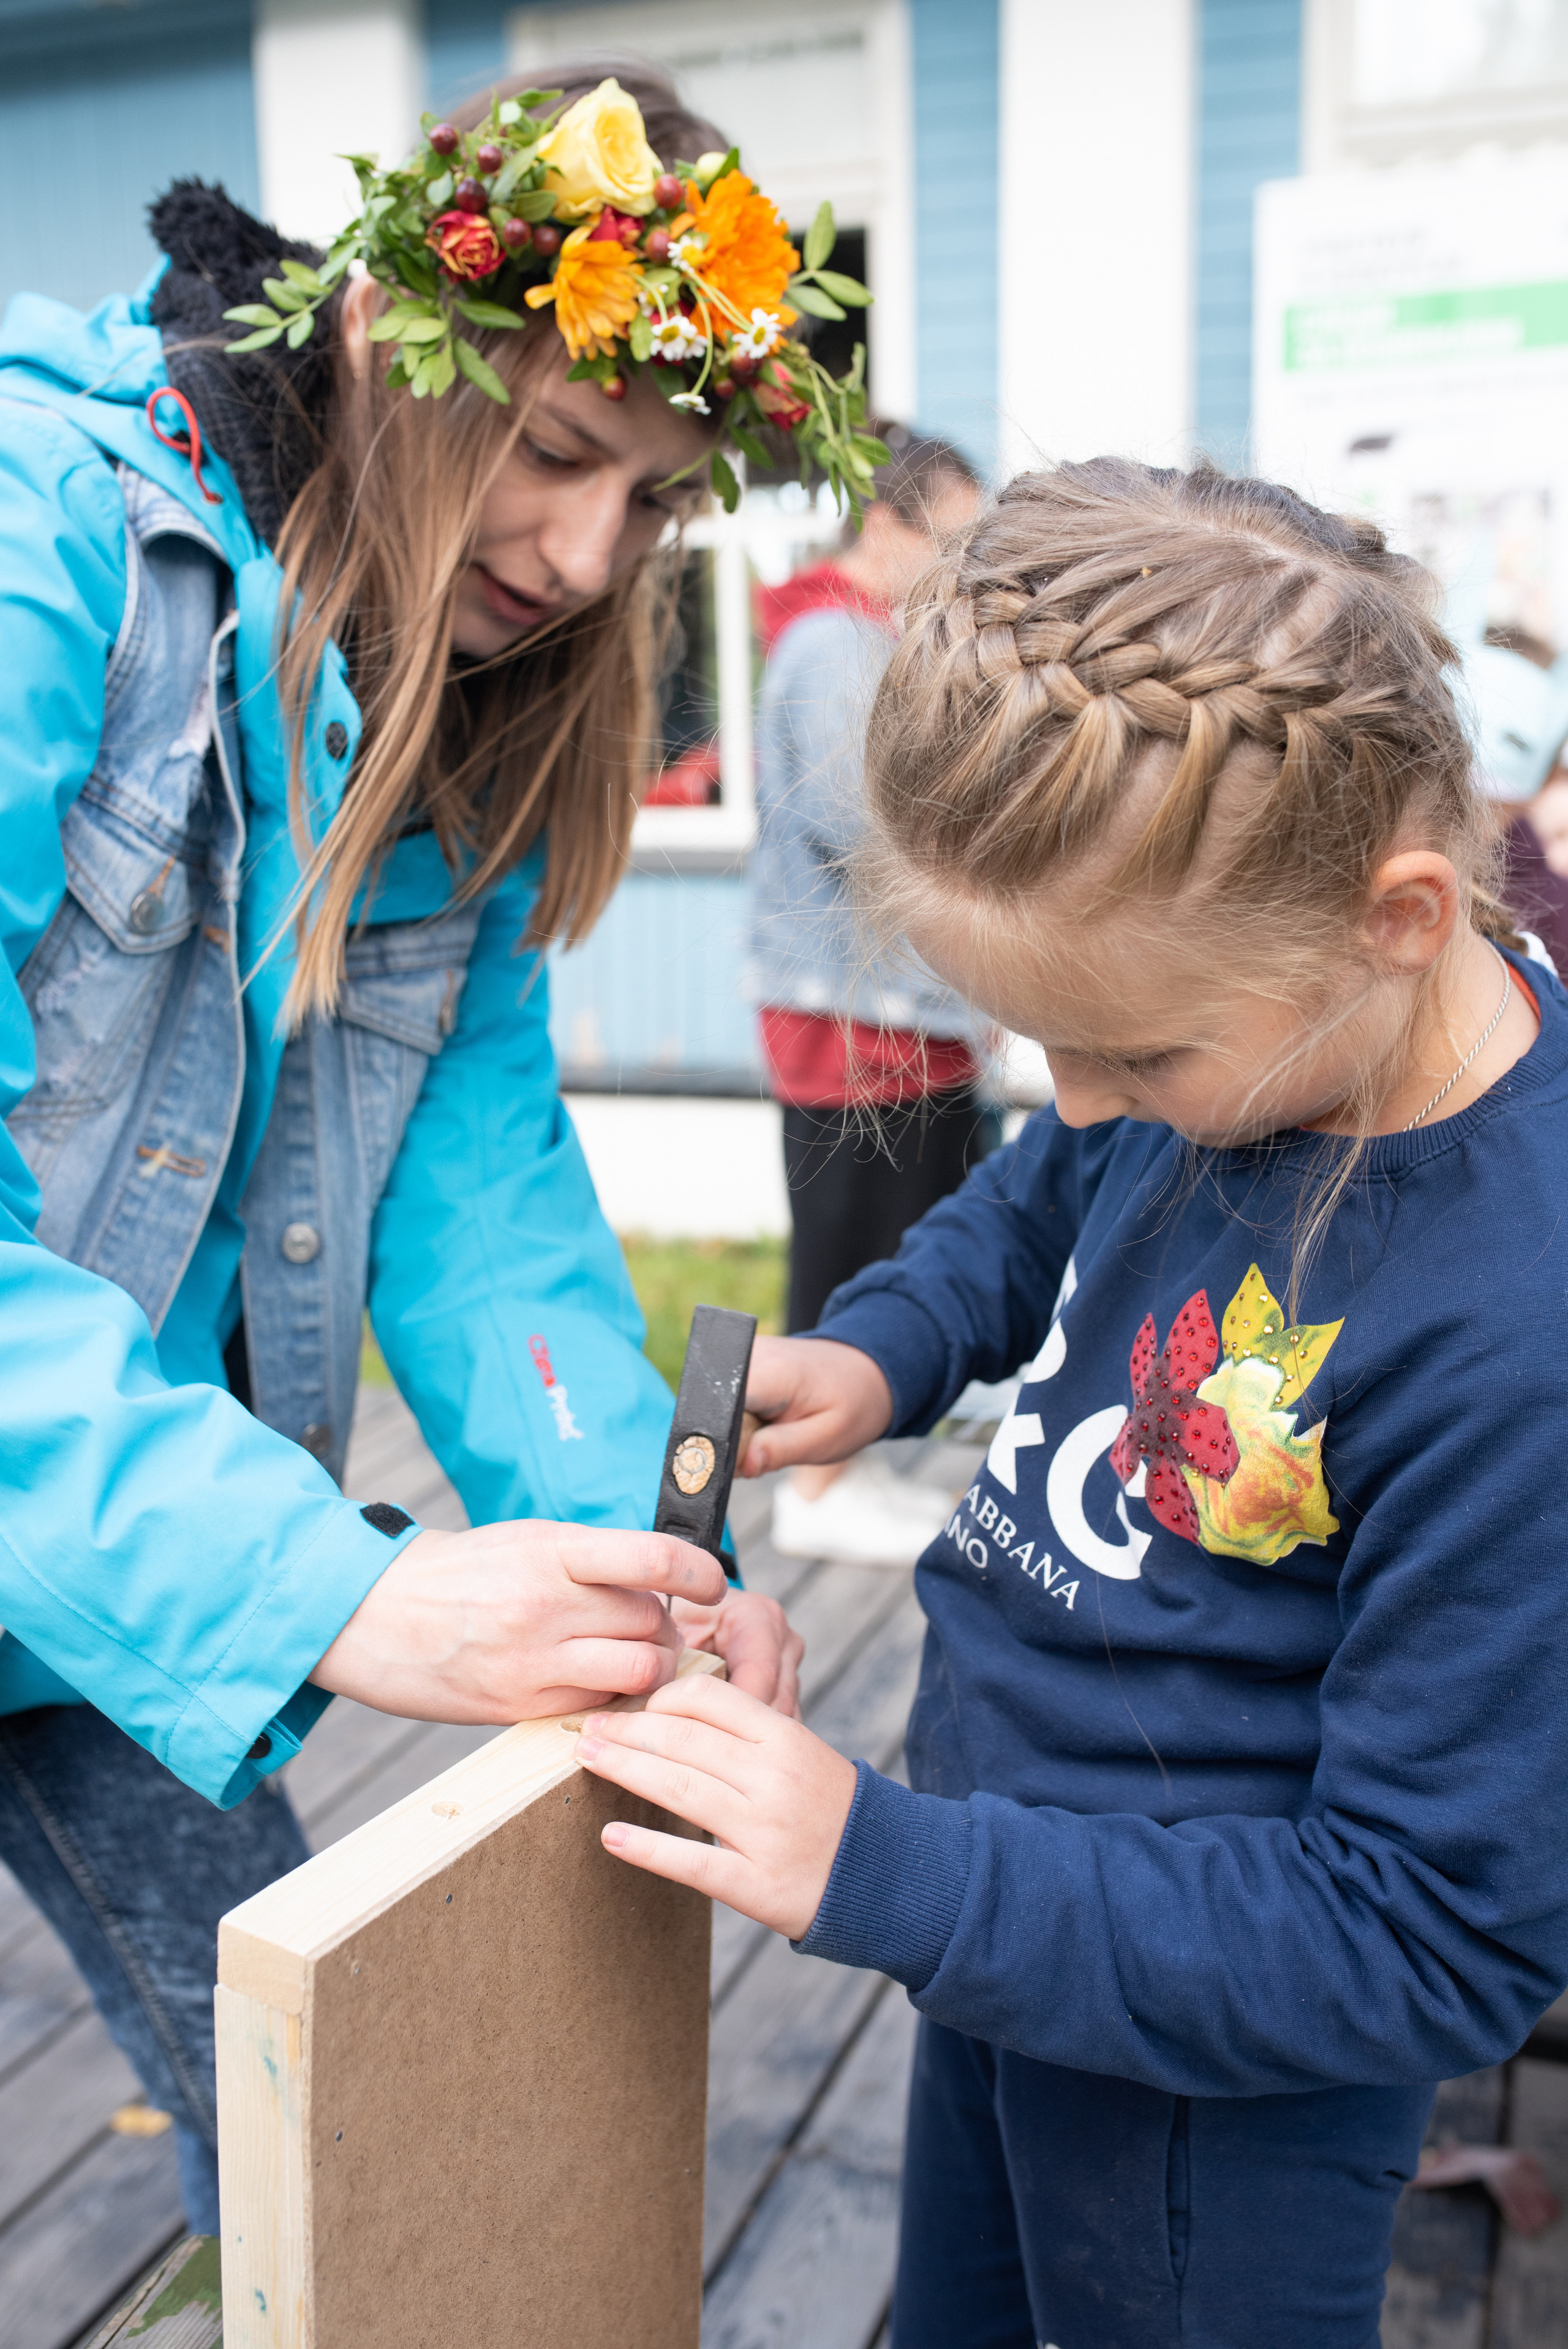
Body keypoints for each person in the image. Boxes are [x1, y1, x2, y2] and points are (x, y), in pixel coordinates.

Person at [0, 61, 884, 2233]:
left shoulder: (467, 719)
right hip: (169, 1519)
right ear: (404, 346)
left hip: (111, 1555)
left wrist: (635, 1568)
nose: (592, 562)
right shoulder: (48, 545)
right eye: (563, 451)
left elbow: (477, 1198)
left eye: (658, 502)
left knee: (358, 2153)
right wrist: (343, 1587)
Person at [569, 461, 1568, 2347]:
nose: (1079, 1098)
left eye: (1126, 1051)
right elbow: (1049, 1194)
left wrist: (886, 1867)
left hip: (1224, 2096)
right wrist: (882, 1346)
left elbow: (1429, 1933)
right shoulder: (1257, 1025)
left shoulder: (1524, 1325)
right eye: (1046, 1045)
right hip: (1003, 1911)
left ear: (1402, 915)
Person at [750, 433, 989, 1565]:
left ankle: (857, 1461)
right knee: (854, 1237)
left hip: (901, 1006)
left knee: (905, 1230)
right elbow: (869, 823)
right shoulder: (836, 644)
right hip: (856, 1013)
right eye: (955, 544)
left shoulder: (865, 636)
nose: (962, 573)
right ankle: (817, 1483)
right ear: (889, 528)